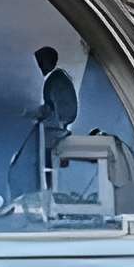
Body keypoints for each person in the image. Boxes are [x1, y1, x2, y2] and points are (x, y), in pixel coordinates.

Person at [31, 46, 77, 198]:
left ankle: (50, 195)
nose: (39, 66)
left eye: (41, 61)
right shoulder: (55, 79)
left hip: (56, 133)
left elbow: (61, 111)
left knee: (45, 162)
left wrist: (58, 127)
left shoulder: (57, 80)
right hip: (54, 131)